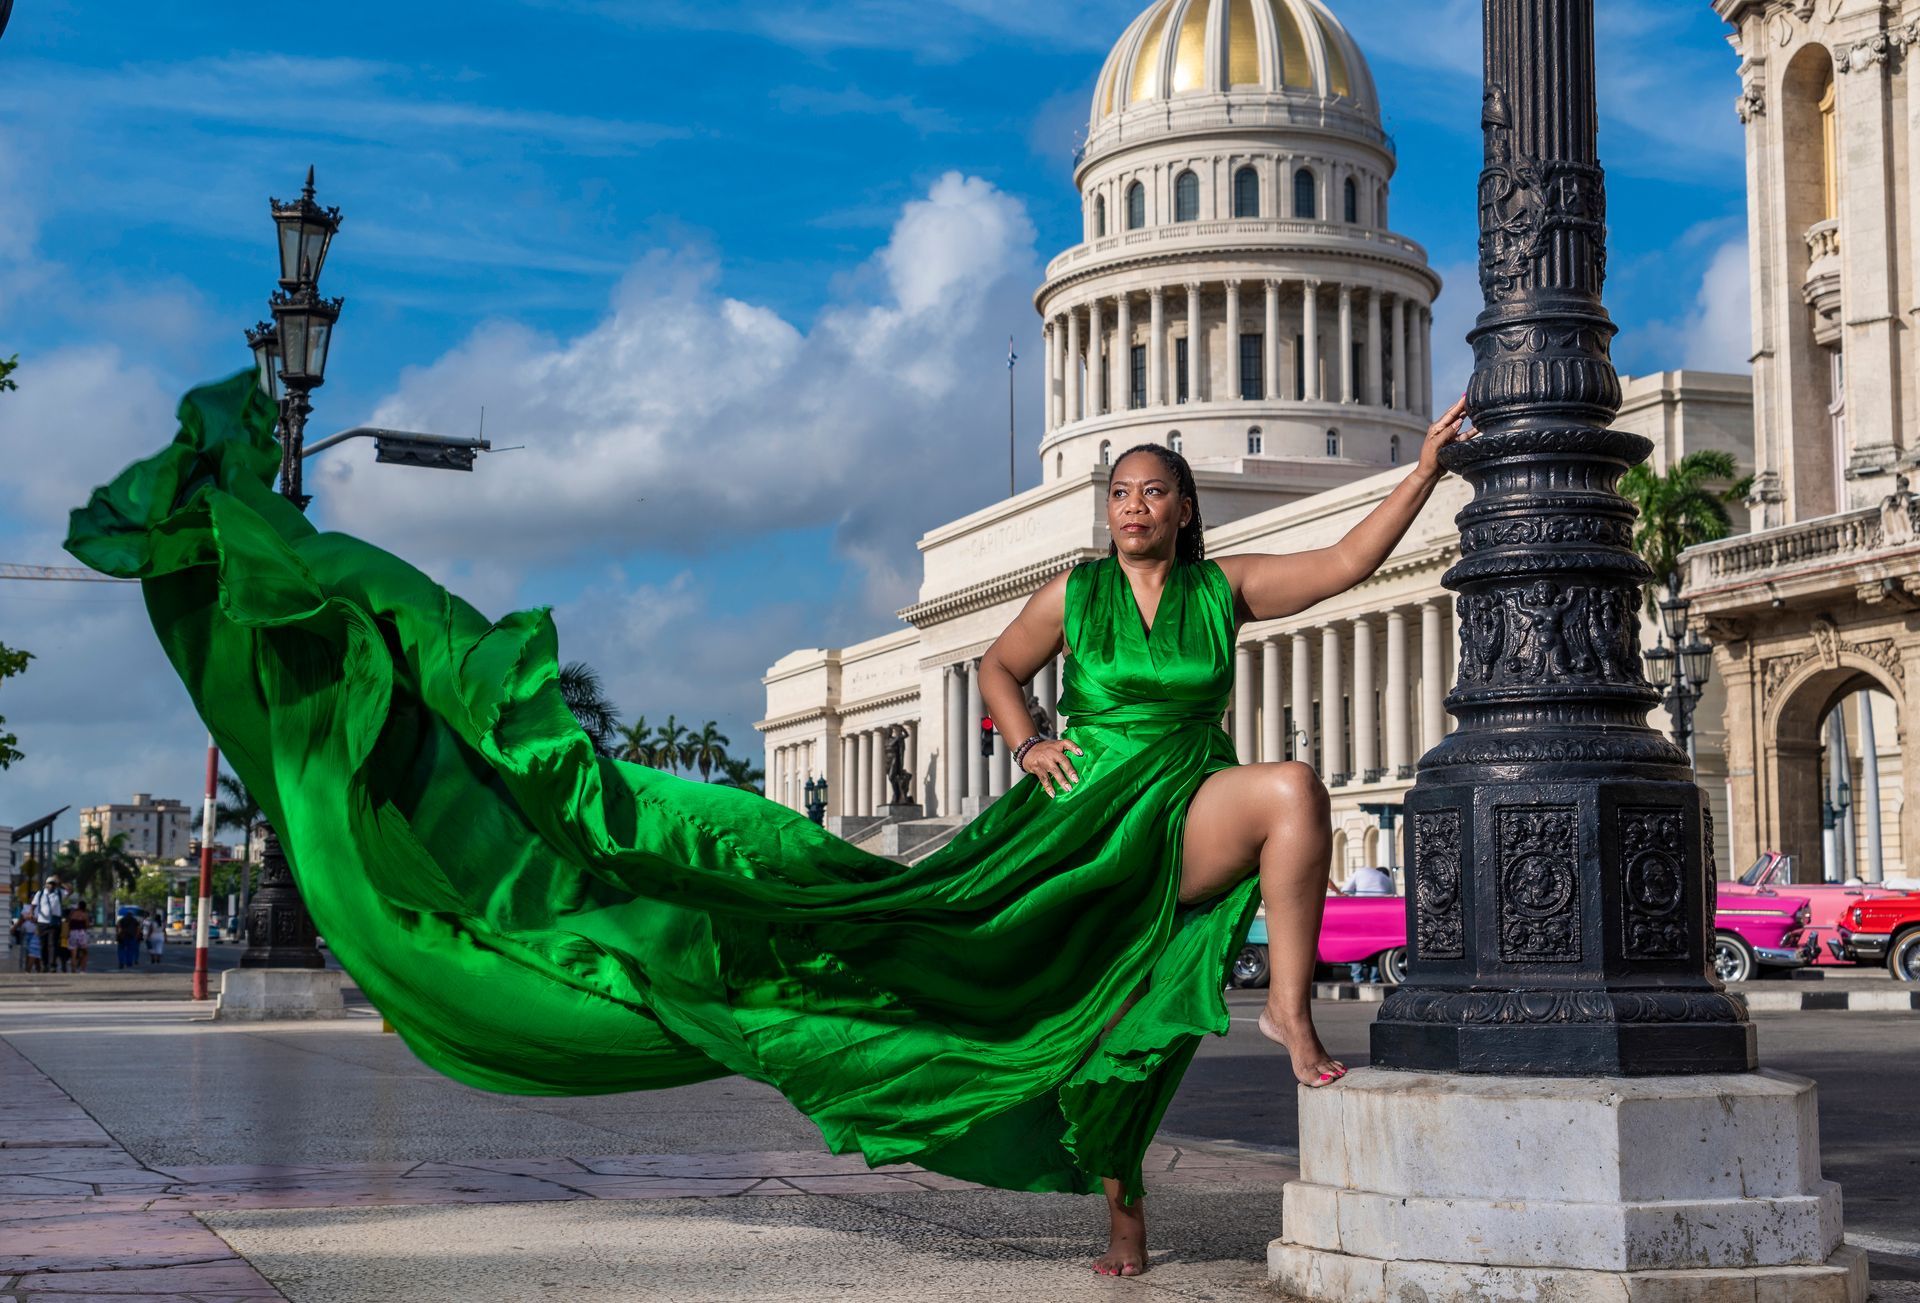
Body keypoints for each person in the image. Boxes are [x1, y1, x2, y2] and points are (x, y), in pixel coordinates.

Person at [63, 371, 1473, 1282]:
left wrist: (1421, 464)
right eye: (1122, 491)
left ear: (1190, 508)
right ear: (1105, 512)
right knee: (1057, 1012)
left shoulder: (1224, 593)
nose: (1140, 505)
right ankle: (1119, 1197)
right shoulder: (1073, 592)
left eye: (1157, 490)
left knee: (1287, 792)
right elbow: (990, 667)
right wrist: (1030, 737)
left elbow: (1351, 559)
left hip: (1179, 809)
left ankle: (1287, 1014)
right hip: (1067, 826)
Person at [1342, 865, 1396, 984]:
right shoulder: (1388, 880)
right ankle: (1374, 979)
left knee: (1356, 945)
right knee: (1378, 947)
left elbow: (1344, 891)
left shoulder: (1361, 871)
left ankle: (1357, 979)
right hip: (1381, 917)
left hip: (1361, 913)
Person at [67, 904, 91, 973]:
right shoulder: (84, 914)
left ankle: (73, 969)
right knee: (85, 952)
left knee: (73, 953)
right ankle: (83, 969)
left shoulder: (72, 914)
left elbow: (68, 923)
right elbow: (87, 925)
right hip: (81, 933)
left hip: (72, 933)